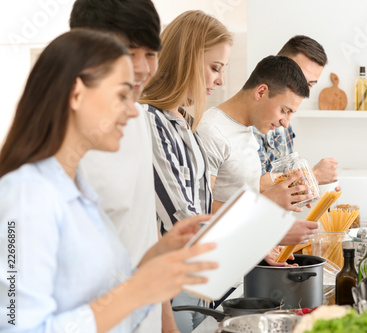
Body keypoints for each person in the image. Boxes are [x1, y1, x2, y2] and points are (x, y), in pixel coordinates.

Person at [0, 29, 217, 333]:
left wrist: (152, 263)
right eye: (121, 95)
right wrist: (138, 288)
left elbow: (106, 307)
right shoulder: (27, 195)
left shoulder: (78, 191)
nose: (132, 111)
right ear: (77, 94)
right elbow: (17, 327)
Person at [69, 0, 166, 331]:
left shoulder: (137, 120)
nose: (141, 67)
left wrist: (167, 324)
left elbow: (144, 227)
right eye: (128, 51)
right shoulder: (48, 155)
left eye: (150, 53)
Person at [138, 10, 232, 332]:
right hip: (170, 283)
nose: (219, 80)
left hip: (195, 280)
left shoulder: (184, 125)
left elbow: (200, 208)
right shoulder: (150, 122)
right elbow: (183, 222)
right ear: (187, 60)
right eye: (214, 68)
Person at [197, 55, 314, 213]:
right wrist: (266, 201)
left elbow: (239, 194)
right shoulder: (211, 131)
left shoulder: (247, 128)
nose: (286, 123)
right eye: (284, 111)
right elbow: (201, 209)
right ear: (261, 92)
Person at [254, 35, 340, 192]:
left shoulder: (286, 121)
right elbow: (248, 186)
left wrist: (310, 187)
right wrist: (311, 175)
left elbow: (283, 179)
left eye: (309, 85)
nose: (303, 92)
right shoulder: (252, 117)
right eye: (298, 79)